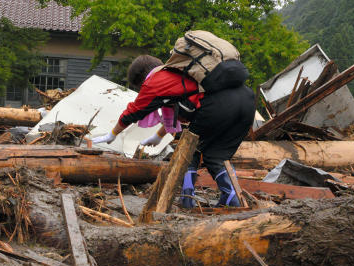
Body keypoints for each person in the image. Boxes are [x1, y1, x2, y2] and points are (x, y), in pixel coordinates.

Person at [93, 53, 255, 206]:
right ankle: (231, 198)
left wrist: (113, 133)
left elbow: (134, 111)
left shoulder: (155, 80)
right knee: (217, 155)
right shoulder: (178, 73)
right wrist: (158, 135)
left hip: (218, 107)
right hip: (247, 102)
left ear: (141, 78)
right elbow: (176, 111)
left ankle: (187, 198)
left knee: (190, 153)